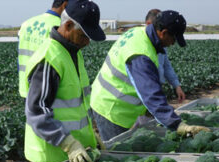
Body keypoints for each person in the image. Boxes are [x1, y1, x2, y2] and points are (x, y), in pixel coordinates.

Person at [90, 10, 210, 142]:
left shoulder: (139, 32)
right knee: (117, 151)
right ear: (163, 33)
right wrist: (177, 125)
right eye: (174, 39)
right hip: (112, 109)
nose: (173, 44)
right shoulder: (141, 54)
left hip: (112, 102)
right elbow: (150, 94)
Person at [24, 0, 106, 162]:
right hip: (52, 156)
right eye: (84, 36)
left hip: (75, 153)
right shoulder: (49, 58)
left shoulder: (73, 52)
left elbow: (77, 104)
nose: (87, 42)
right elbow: (37, 111)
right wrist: (68, 143)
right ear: (68, 25)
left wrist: (90, 136)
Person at [18, 0, 68, 99]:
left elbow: (20, 57)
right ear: (65, 5)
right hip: (46, 90)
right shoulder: (61, 27)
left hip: (25, 87)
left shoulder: (26, 24)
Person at [145, 9, 186, 102]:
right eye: (173, 40)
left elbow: (166, 66)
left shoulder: (161, 44)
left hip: (155, 89)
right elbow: (144, 86)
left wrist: (177, 86)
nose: (172, 44)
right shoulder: (143, 49)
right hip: (139, 96)